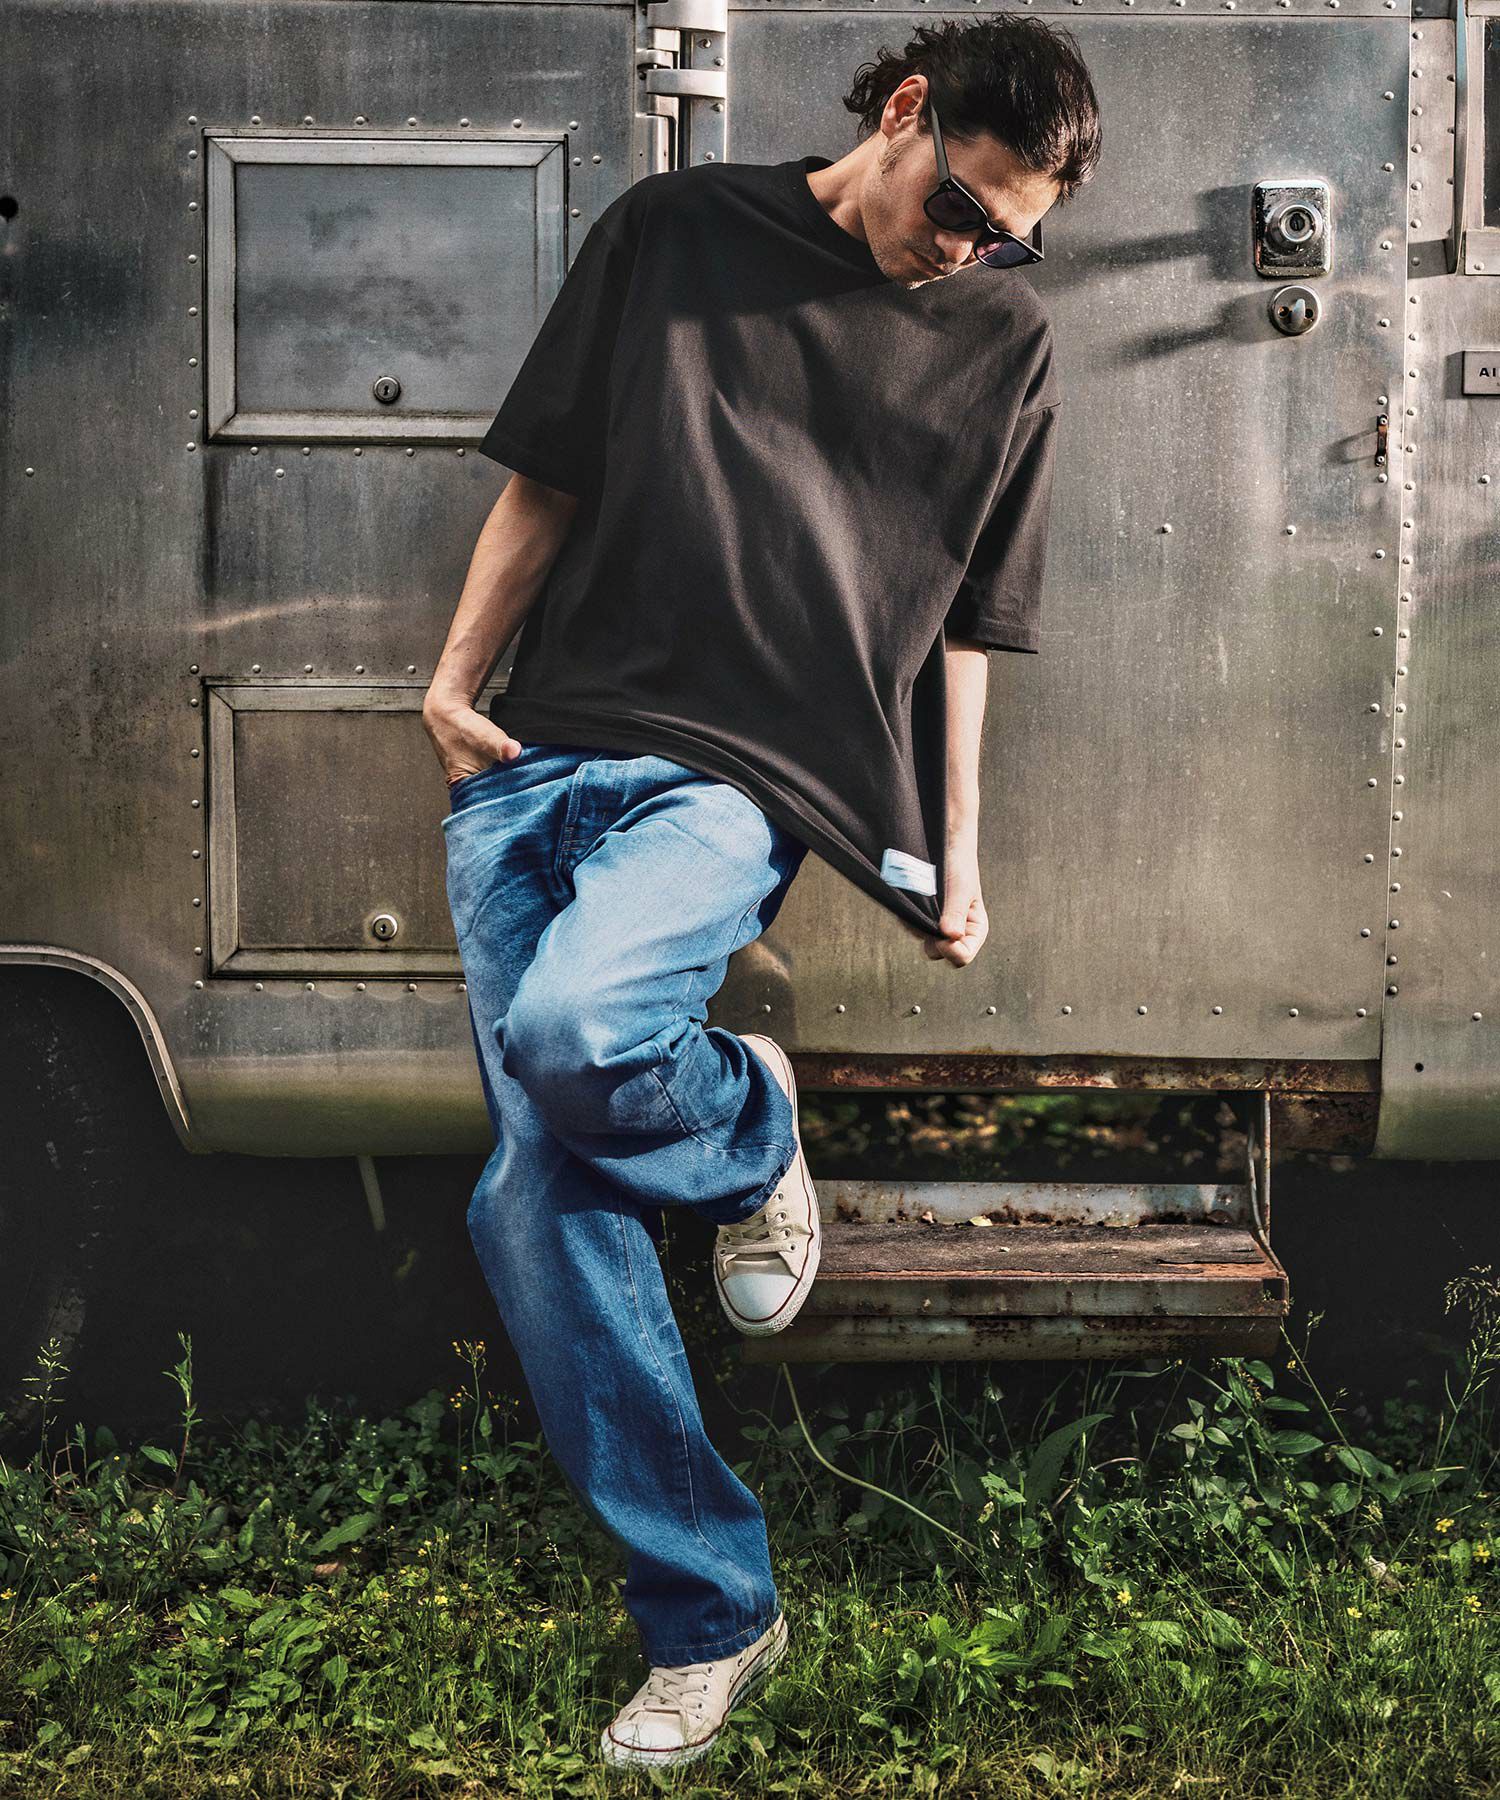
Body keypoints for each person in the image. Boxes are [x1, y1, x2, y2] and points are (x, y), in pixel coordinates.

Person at [423, 16, 1101, 1770]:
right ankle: (715, 1616)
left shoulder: (1004, 340)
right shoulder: (674, 232)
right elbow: (551, 474)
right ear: (904, 113)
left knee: (582, 1031)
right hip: (534, 762)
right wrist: (453, 678)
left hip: (740, 780)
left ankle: (743, 1123)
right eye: (962, 208)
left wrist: (961, 847)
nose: (973, 251)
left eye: (1010, 237)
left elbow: (971, 627)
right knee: (534, 1207)